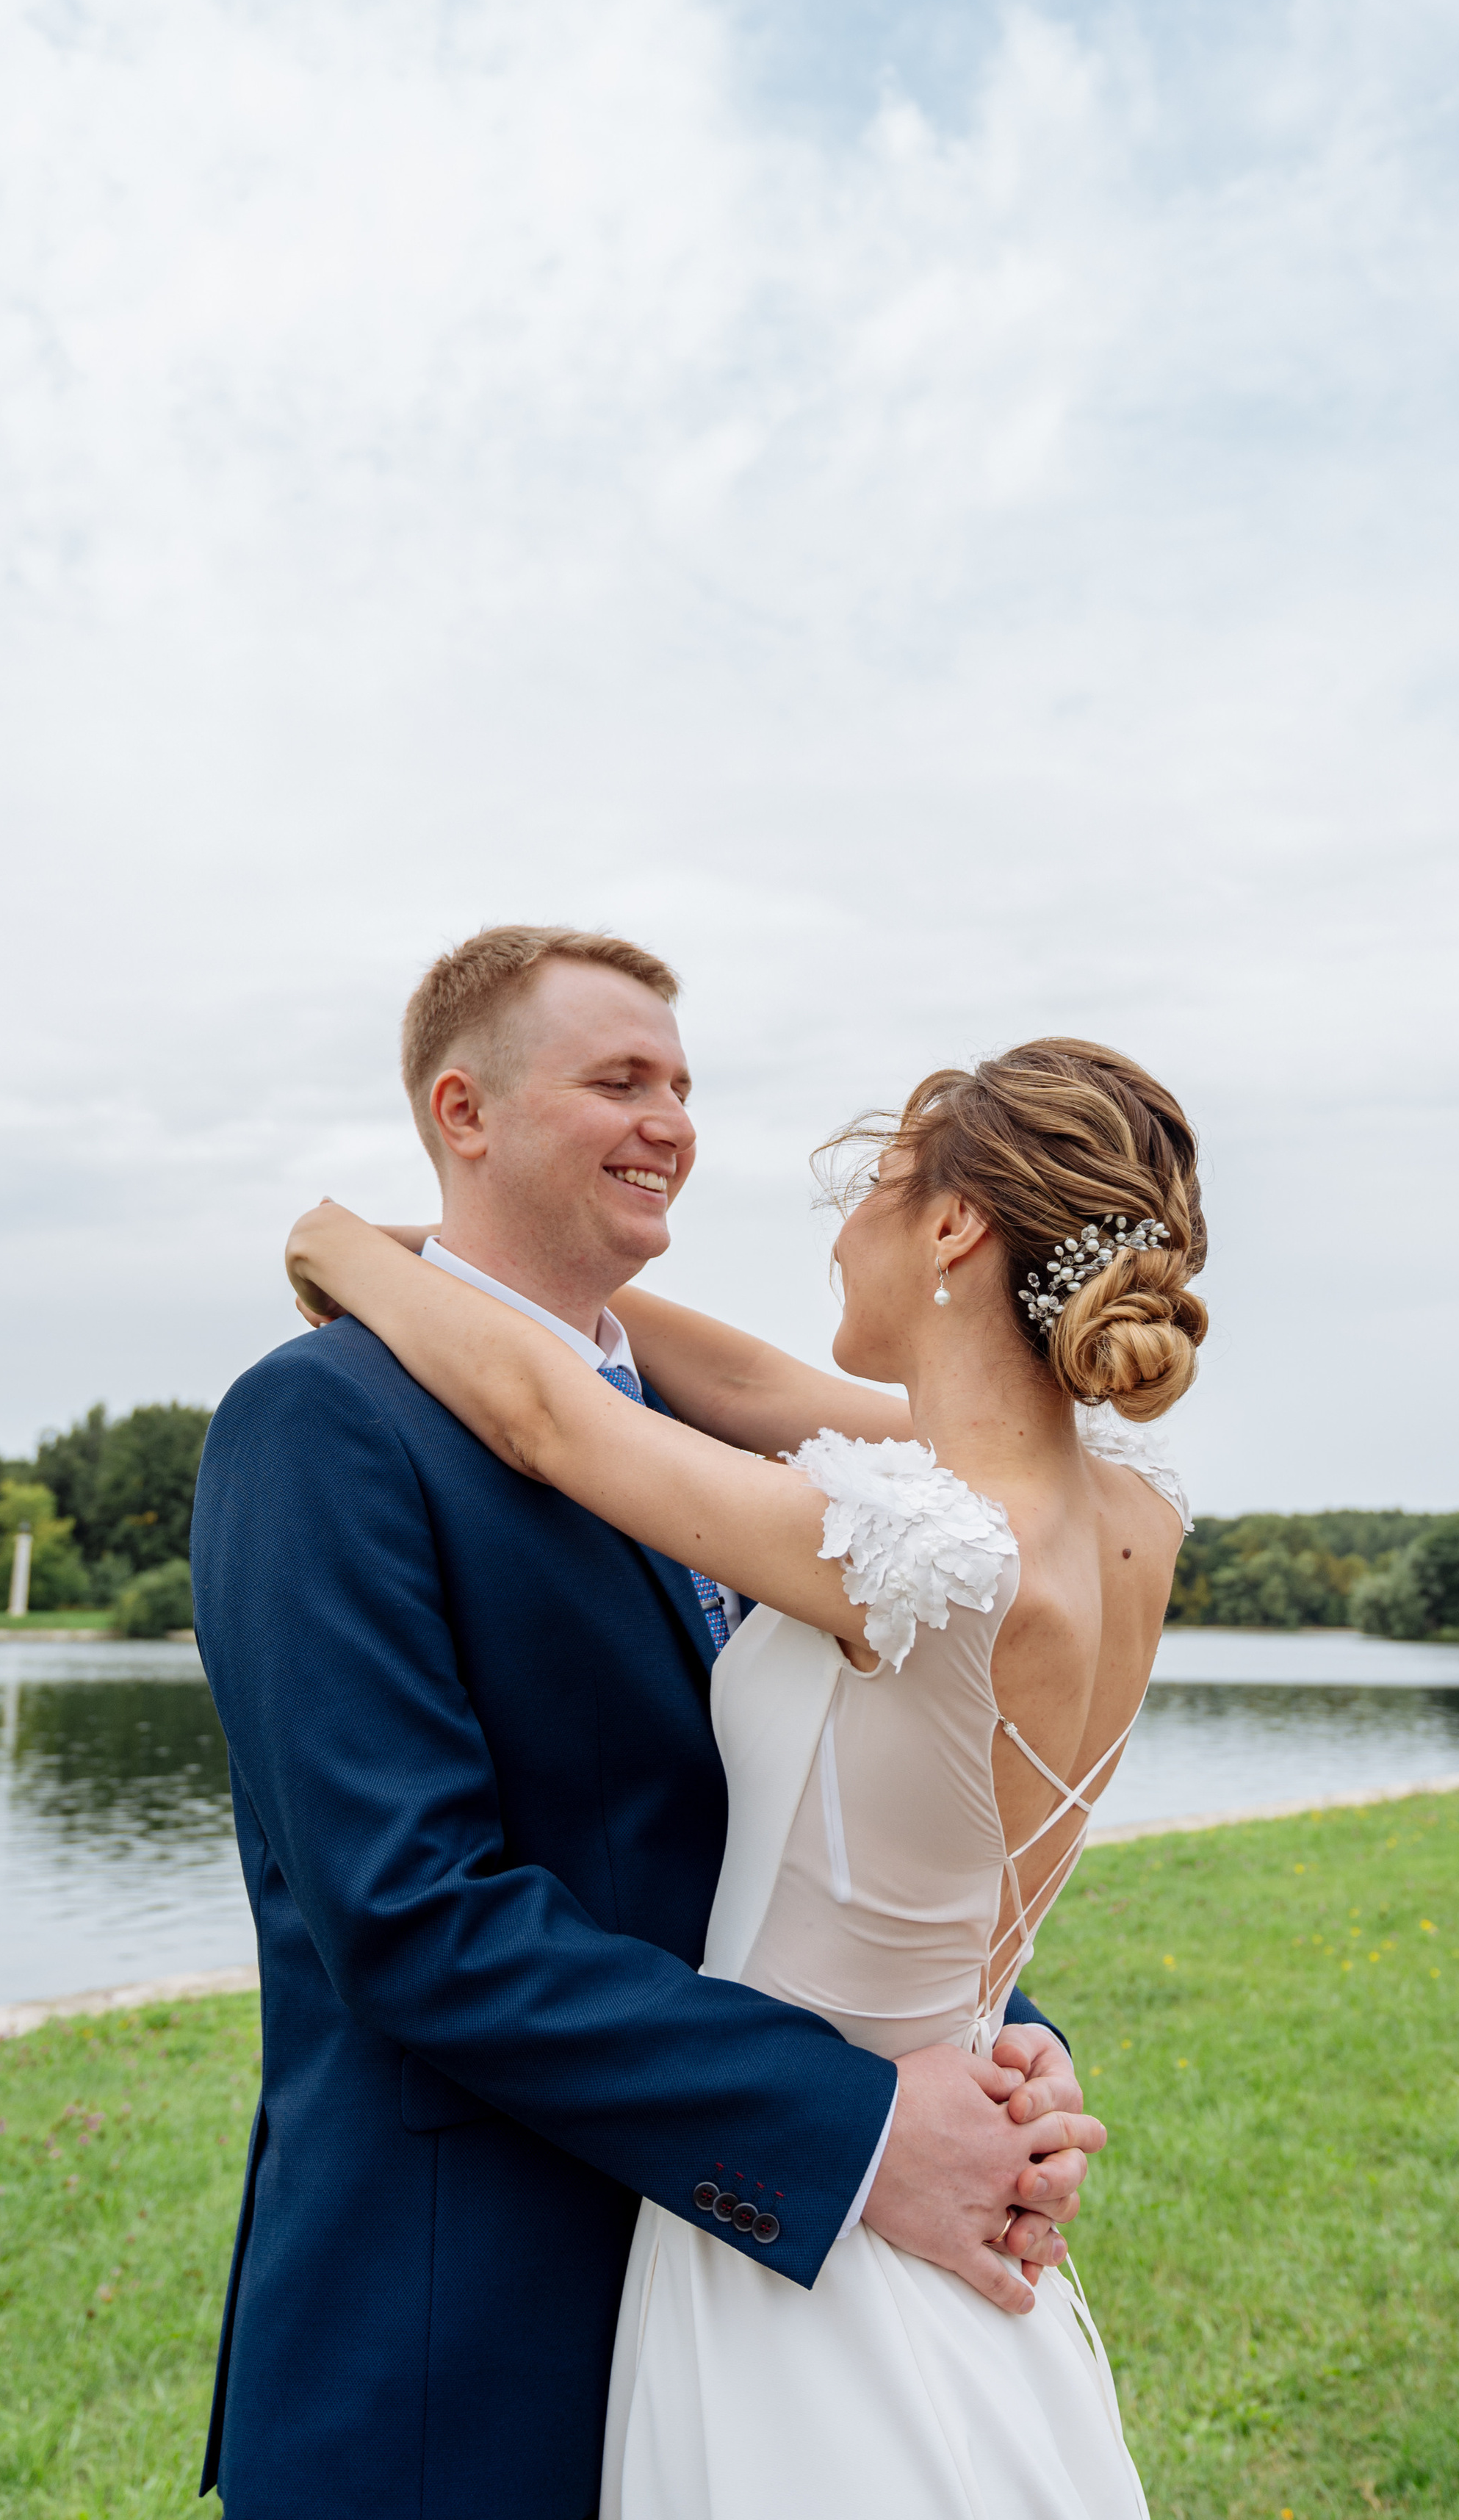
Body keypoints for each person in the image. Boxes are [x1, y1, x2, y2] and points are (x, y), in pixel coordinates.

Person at [190, 926, 1102, 2520]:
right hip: (476, 2334)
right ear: (461, 1114)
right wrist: (860, 2126)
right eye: (617, 1079)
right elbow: (411, 1916)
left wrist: (994, 2056)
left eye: (681, 1084)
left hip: (773, 2335)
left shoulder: (728, 1440)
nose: (670, 1120)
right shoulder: (321, 1418)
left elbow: (849, 1803)